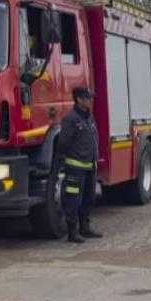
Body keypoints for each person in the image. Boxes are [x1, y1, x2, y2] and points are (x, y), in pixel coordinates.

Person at [56, 87, 103, 243]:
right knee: (73, 200)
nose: (91, 100)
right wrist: (75, 156)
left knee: (88, 198)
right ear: (79, 100)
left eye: (90, 97)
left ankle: (85, 228)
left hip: (89, 167)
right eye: (88, 98)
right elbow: (63, 143)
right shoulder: (71, 119)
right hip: (75, 168)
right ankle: (72, 232)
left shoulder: (88, 117)